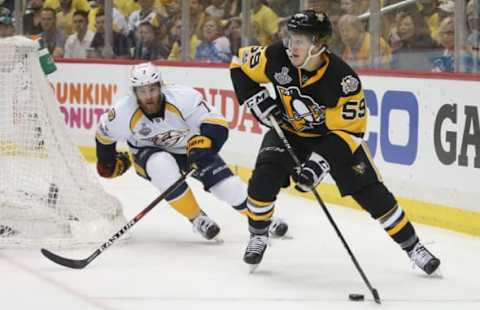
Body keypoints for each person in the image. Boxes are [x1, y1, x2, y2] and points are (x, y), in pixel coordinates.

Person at [229, 10, 441, 275]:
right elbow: (239, 61)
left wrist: (318, 164)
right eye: (291, 38)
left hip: (333, 139)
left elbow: (349, 133)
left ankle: (414, 247)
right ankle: (258, 235)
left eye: (300, 41)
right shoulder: (276, 56)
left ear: (318, 45)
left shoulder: (344, 80)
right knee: (263, 179)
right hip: (288, 131)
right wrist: (254, 97)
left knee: (373, 195)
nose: (291, 45)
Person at [95, 62, 288, 242]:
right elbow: (103, 135)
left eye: (152, 89)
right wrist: (107, 162)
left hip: (189, 149)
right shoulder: (122, 113)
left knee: (226, 186)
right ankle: (197, 218)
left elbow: (217, 123)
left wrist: (204, 144)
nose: (148, 96)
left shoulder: (183, 98)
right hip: (148, 153)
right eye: (142, 91)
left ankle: (262, 219)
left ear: (160, 86)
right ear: (134, 92)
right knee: (161, 165)